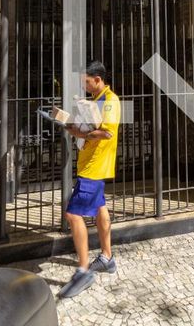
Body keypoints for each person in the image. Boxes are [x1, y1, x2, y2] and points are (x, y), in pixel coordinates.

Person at [58, 61, 121, 299]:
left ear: (97, 79)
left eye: (86, 81)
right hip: (90, 163)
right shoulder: (95, 101)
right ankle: (107, 257)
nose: (84, 85)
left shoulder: (110, 101)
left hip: (95, 167)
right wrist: (70, 123)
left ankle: (83, 271)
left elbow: (107, 132)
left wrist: (78, 132)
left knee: (74, 214)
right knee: (100, 209)